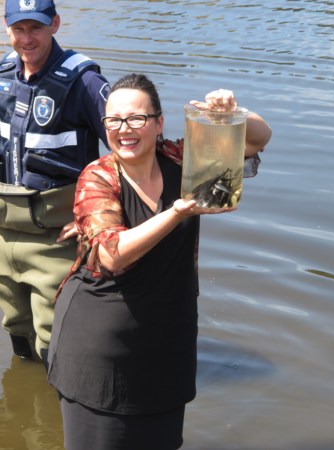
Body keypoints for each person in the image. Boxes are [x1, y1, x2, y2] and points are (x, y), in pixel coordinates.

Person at [47, 72, 272, 450]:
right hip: (100, 353)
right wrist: (176, 213)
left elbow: (257, 139)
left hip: (169, 344)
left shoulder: (184, 159)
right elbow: (111, 255)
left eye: (136, 118)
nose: (124, 129)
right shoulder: (98, 177)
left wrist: (233, 114)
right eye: (114, 120)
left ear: (158, 122)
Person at [0, 0, 110, 364]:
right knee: (17, 332)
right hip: (4, 235)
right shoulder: (1, 76)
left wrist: (98, 219)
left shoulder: (85, 82)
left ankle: (61, 415)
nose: (27, 38)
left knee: (58, 344)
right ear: (6, 28)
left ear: (55, 24)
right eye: (19, 28)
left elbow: (131, 154)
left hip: (58, 238)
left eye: (36, 27)